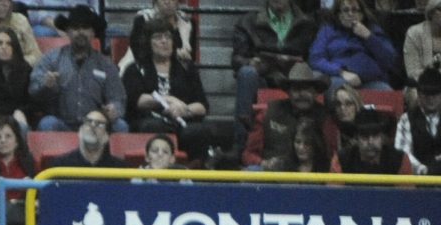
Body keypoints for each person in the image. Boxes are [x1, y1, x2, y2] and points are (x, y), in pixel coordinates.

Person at [126, 22, 230, 158]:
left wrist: (184, 109)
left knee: (200, 131)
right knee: (155, 126)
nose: (164, 41)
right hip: (149, 121)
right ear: (148, 42)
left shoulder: (186, 68)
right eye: (158, 37)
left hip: (182, 121)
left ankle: (194, 172)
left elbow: (202, 106)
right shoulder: (136, 68)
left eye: (168, 37)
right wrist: (168, 99)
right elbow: (137, 100)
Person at [32, 7, 124, 130]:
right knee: (47, 123)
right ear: (68, 32)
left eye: (85, 28)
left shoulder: (106, 64)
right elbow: (32, 91)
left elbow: (117, 97)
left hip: (95, 125)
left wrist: (114, 109)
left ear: (93, 33)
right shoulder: (51, 59)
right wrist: (45, 85)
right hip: (61, 123)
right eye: (75, 28)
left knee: (120, 126)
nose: (80, 32)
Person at [233, 0, 310, 126]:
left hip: (296, 80)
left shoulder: (307, 23)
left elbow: (314, 57)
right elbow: (236, 59)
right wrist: (250, 62)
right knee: (247, 73)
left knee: (316, 75)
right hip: (263, 77)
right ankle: (242, 143)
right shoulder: (247, 22)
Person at [249, 59, 335, 162]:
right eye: (296, 89)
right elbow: (249, 153)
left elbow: (333, 155)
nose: (301, 94)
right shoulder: (268, 112)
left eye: (307, 89)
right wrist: (263, 163)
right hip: (274, 172)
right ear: (288, 92)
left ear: (315, 93)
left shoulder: (326, 117)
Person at [312, 0, 401, 90]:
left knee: (386, 90)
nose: (350, 14)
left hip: (371, 80)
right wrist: (340, 72)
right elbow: (316, 59)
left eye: (355, 10)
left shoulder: (373, 30)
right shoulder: (327, 30)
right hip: (340, 78)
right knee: (337, 86)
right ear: (338, 14)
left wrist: (369, 37)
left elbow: (390, 60)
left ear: (361, 14)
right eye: (346, 10)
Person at [398, 63, 441, 171]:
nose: (431, 99)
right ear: (418, 93)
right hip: (418, 182)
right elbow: (403, 153)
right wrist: (424, 170)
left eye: (435, 94)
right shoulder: (405, 119)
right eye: (426, 94)